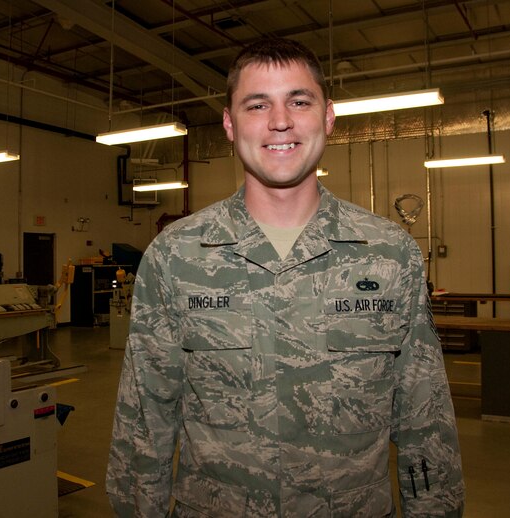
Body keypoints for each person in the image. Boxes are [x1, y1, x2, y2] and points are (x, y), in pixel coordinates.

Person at [106, 37, 464, 517]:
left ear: (328, 117)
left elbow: (425, 413)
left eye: (299, 100)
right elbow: (144, 417)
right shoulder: (175, 255)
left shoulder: (389, 253)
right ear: (231, 125)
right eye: (258, 105)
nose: (280, 121)